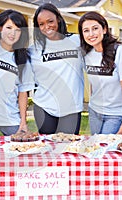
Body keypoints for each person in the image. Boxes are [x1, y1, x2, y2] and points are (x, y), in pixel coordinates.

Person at [29, 3, 85, 134]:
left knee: (68, 149)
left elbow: (101, 47)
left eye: (50, 21)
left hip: (72, 108)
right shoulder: (34, 50)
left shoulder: (77, 41)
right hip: (44, 107)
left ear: (58, 19)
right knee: (48, 149)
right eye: (41, 24)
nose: (46, 27)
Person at [78, 11, 122, 136]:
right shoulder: (86, 54)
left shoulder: (120, 52)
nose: (91, 34)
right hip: (94, 111)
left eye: (95, 28)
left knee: (105, 149)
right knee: (96, 148)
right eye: (86, 30)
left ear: (104, 29)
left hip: (115, 114)